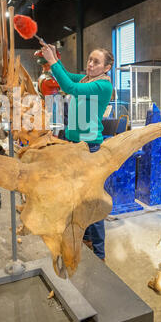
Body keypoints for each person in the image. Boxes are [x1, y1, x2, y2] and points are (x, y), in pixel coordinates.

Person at [40, 42, 114, 261]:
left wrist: (53, 61)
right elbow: (65, 75)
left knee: (91, 201)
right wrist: (53, 56)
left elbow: (70, 87)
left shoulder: (102, 86)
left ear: (107, 67)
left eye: (96, 61)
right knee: (78, 199)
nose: (90, 64)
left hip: (89, 148)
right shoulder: (86, 79)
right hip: (75, 146)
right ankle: (86, 241)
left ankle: (99, 254)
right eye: (90, 60)